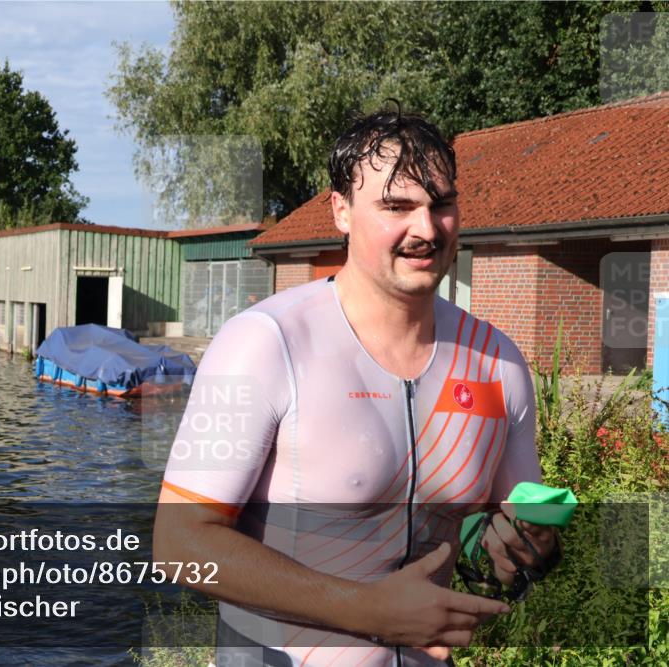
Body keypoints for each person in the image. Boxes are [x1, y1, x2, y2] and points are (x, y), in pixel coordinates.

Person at [154, 107, 559, 667]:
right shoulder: (265, 344)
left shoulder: (497, 363)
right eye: (397, 207)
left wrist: (522, 547)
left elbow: (513, 531)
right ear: (341, 211)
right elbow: (178, 545)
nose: (426, 229)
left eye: (441, 204)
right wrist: (366, 611)